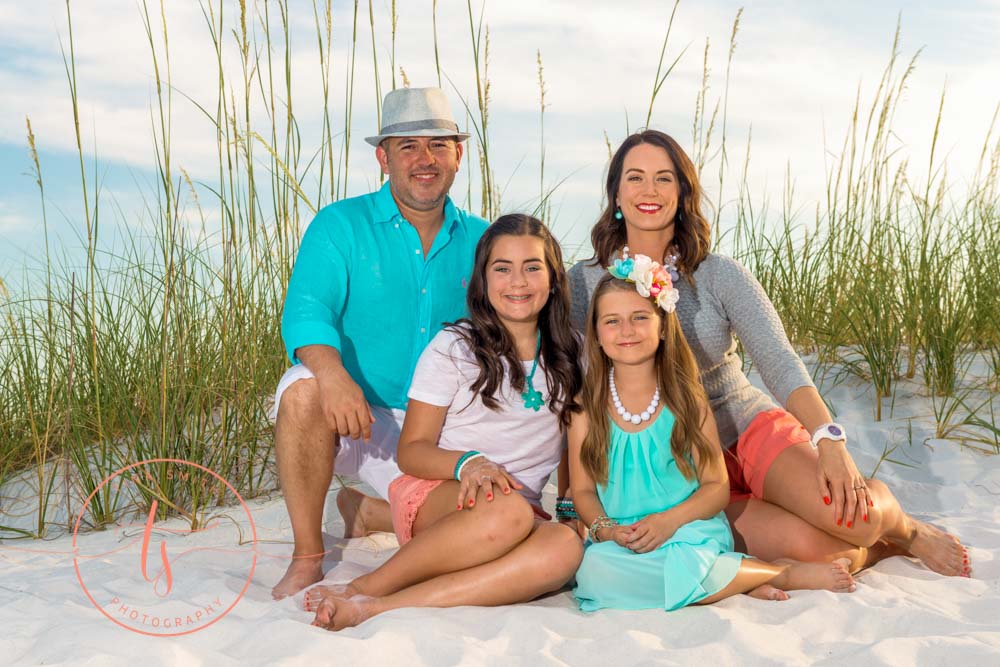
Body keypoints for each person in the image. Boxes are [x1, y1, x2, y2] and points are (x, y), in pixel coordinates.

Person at [567, 129, 970, 578]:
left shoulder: (720, 275)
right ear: (616, 195)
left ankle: (905, 528)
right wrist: (571, 502)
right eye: (635, 178)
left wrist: (829, 441)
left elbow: (779, 362)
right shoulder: (583, 285)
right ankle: (874, 551)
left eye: (664, 179)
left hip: (744, 431)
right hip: (675, 466)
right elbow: (563, 387)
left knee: (859, 518)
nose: (649, 191)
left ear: (682, 194)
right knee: (818, 550)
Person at [304, 214, 584, 630]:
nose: (518, 282)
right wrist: (466, 463)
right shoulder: (454, 347)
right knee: (508, 514)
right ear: (483, 282)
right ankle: (368, 586)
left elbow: (573, 451)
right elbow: (411, 450)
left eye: (532, 267)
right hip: (441, 493)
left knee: (565, 549)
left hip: (517, 510)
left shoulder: (573, 352)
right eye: (502, 269)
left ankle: (378, 604)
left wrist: (568, 510)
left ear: (554, 277)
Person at [271, 87, 489, 600]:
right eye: (407, 146)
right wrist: (332, 374)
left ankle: (368, 511)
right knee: (301, 389)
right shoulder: (338, 225)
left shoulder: (485, 241)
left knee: (482, 525)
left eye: (438, 145)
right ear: (383, 157)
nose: (424, 159)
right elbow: (307, 312)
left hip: (435, 430)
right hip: (352, 415)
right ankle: (307, 555)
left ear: (458, 154)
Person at [569, 269, 856, 611]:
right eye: (612, 321)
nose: (627, 330)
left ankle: (779, 573)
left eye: (640, 317)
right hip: (622, 540)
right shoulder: (584, 409)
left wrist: (668, 522)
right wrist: (606, 531)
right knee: (595, 573)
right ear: (597, 335)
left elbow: (716, 488)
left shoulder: (687, 401)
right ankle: (741, 581)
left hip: (688, 532)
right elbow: (584, 491)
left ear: (662, 327)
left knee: (689, 563)